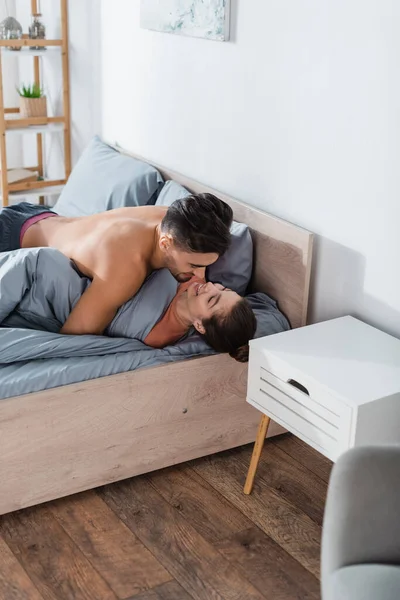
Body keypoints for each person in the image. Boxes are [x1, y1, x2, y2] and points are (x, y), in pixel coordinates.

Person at [0, 194, 233, 336]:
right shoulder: (125, 269)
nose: (199, 276)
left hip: (39, 216)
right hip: (11, 239)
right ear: (165, 243)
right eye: (193, 265)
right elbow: (74, 336)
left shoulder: (179, 219)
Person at [144, 276, 256, 362]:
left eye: (211, 300)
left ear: (199, 325)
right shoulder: (198, 264)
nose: (210, 285)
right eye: (223, 288)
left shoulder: (155, 332)